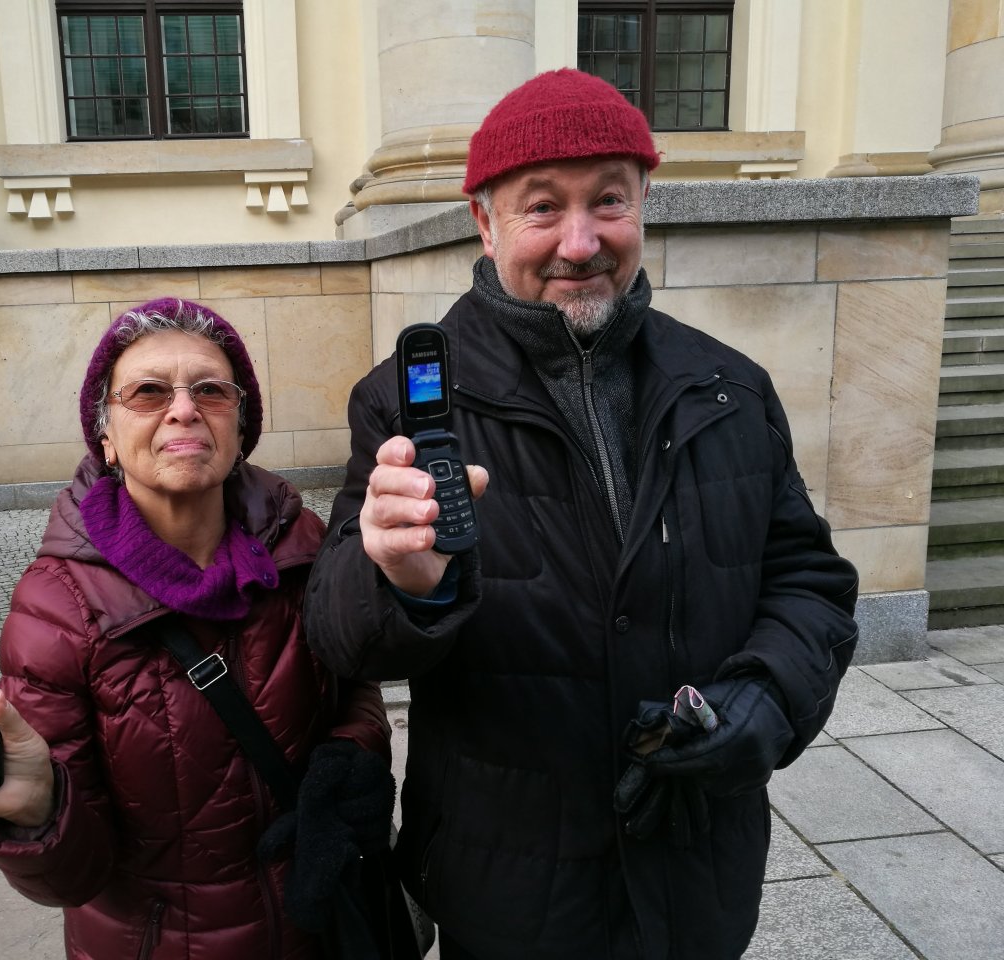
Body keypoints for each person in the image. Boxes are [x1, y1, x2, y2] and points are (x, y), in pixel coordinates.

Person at [304, 69, 859, 960]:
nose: (579, 241)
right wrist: (400, 583)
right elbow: (343, 639)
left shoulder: (729, 387)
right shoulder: (404, 405)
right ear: (483, 223)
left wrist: (766, 698)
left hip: (695, 870)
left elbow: (809, 581)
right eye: (541, 208)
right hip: (513, 886)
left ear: (645, 204)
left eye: (609, 200)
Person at [0, 298, 392, 960]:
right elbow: (74, 877)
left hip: (319, 928)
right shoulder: (55, 611)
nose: (185, 409)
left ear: (240, 426)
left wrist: (351, 754)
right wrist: (38, 806)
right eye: (148, 392)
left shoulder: (301, 544)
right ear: (105, 436)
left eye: (212, 391)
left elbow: (353, 678)